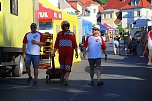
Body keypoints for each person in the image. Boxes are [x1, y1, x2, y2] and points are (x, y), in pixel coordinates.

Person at [52, 21, 78, 86]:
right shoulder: (59, 34)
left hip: (69, 54)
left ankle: (66, 79)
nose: (66, 27)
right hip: (61, 53)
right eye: (65, 26)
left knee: (68, 66)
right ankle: (62, 77)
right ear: (62, 27)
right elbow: (56, 44)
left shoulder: (72, 34)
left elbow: (75, 44)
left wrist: (76, 52)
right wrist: (53, 52)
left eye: (67, 26)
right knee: (62, 66)